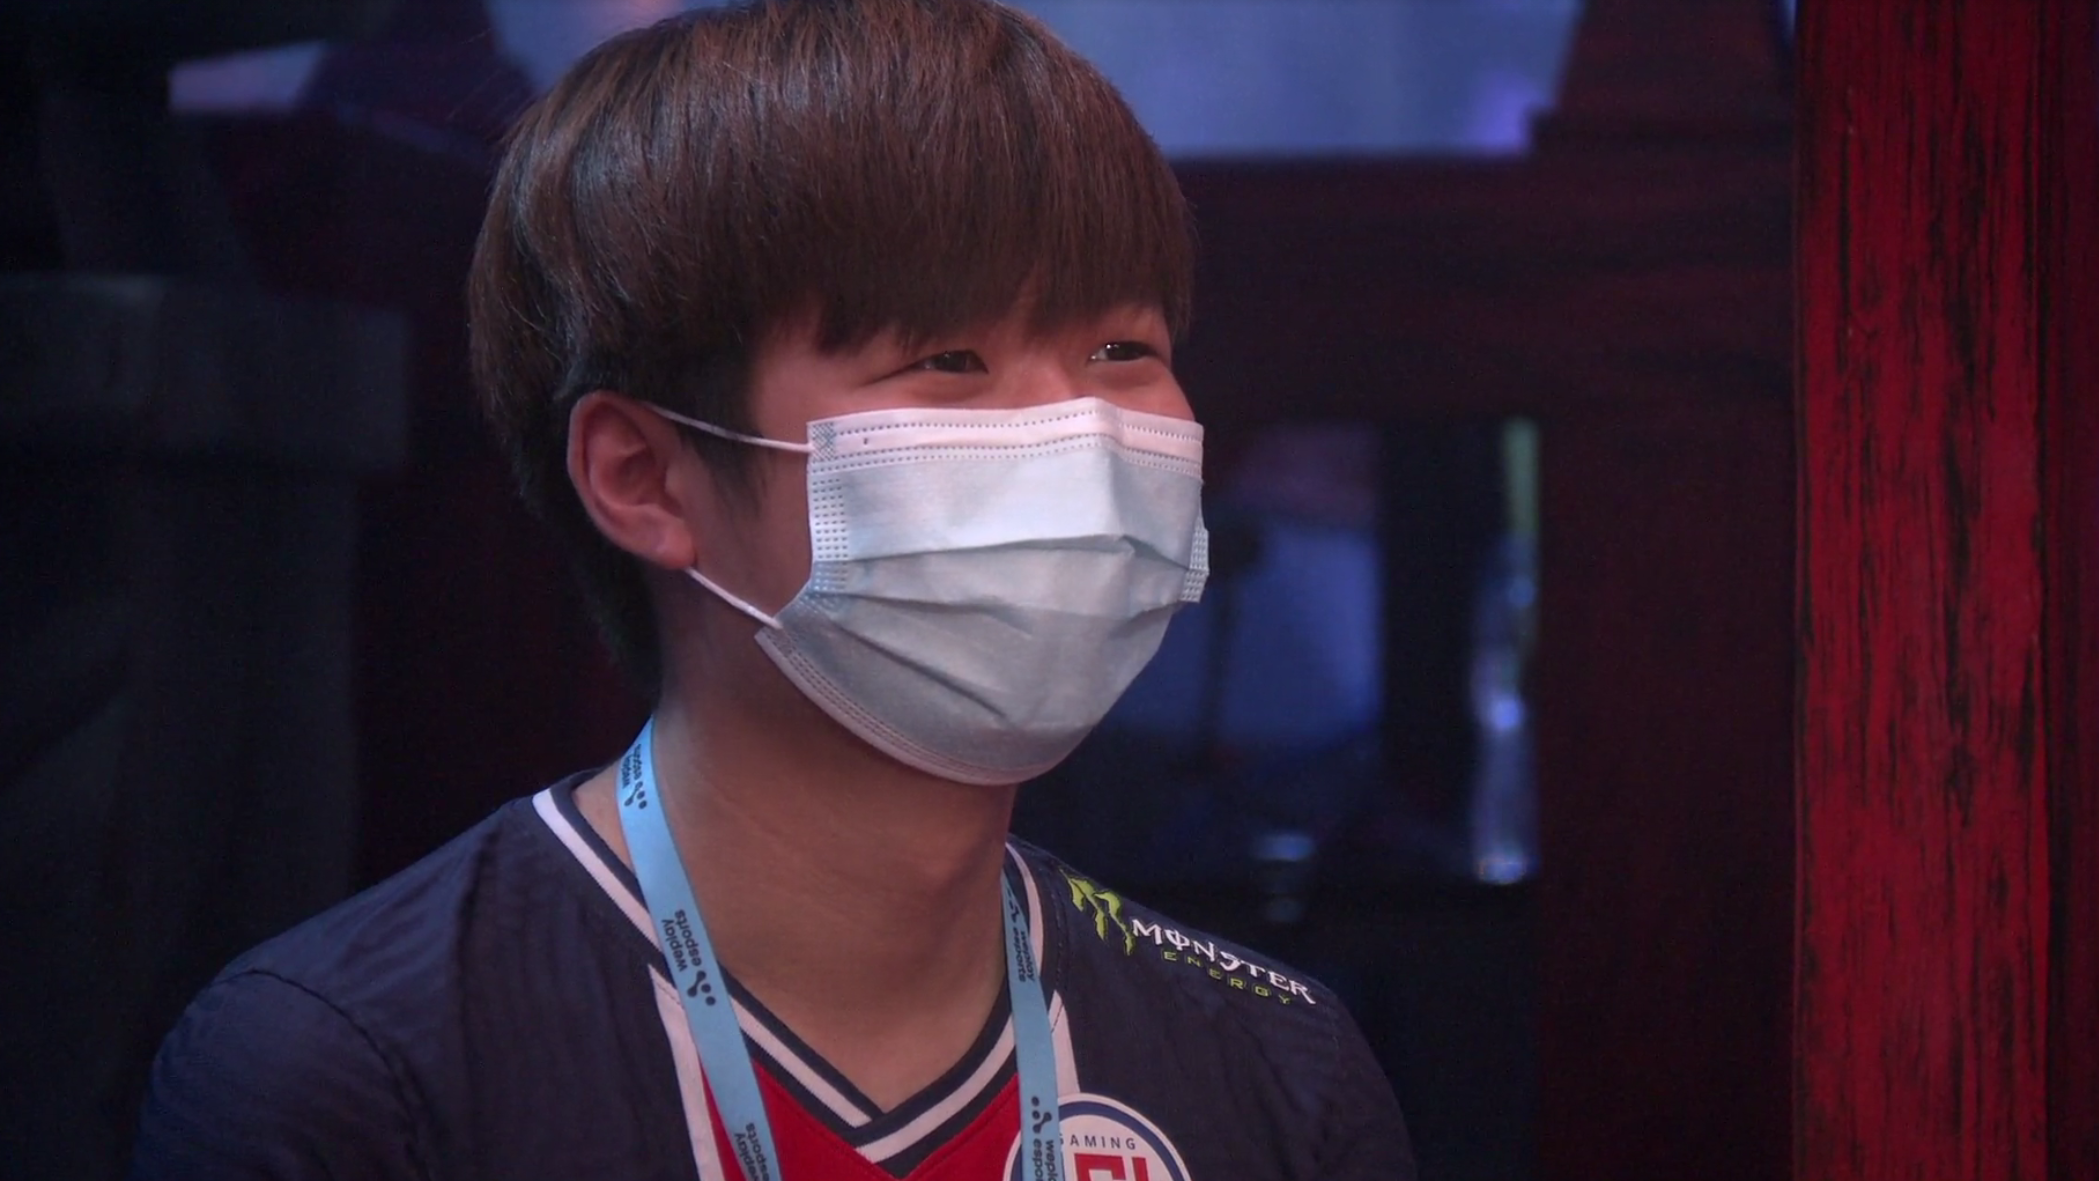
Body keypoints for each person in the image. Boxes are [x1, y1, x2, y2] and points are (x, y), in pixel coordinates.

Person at [130, 2, 1416, 1178]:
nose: (1075, 430)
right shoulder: (350, 1072)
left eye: (1122, 346)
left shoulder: (1278, 1066)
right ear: (645, 476)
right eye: (948, 357)